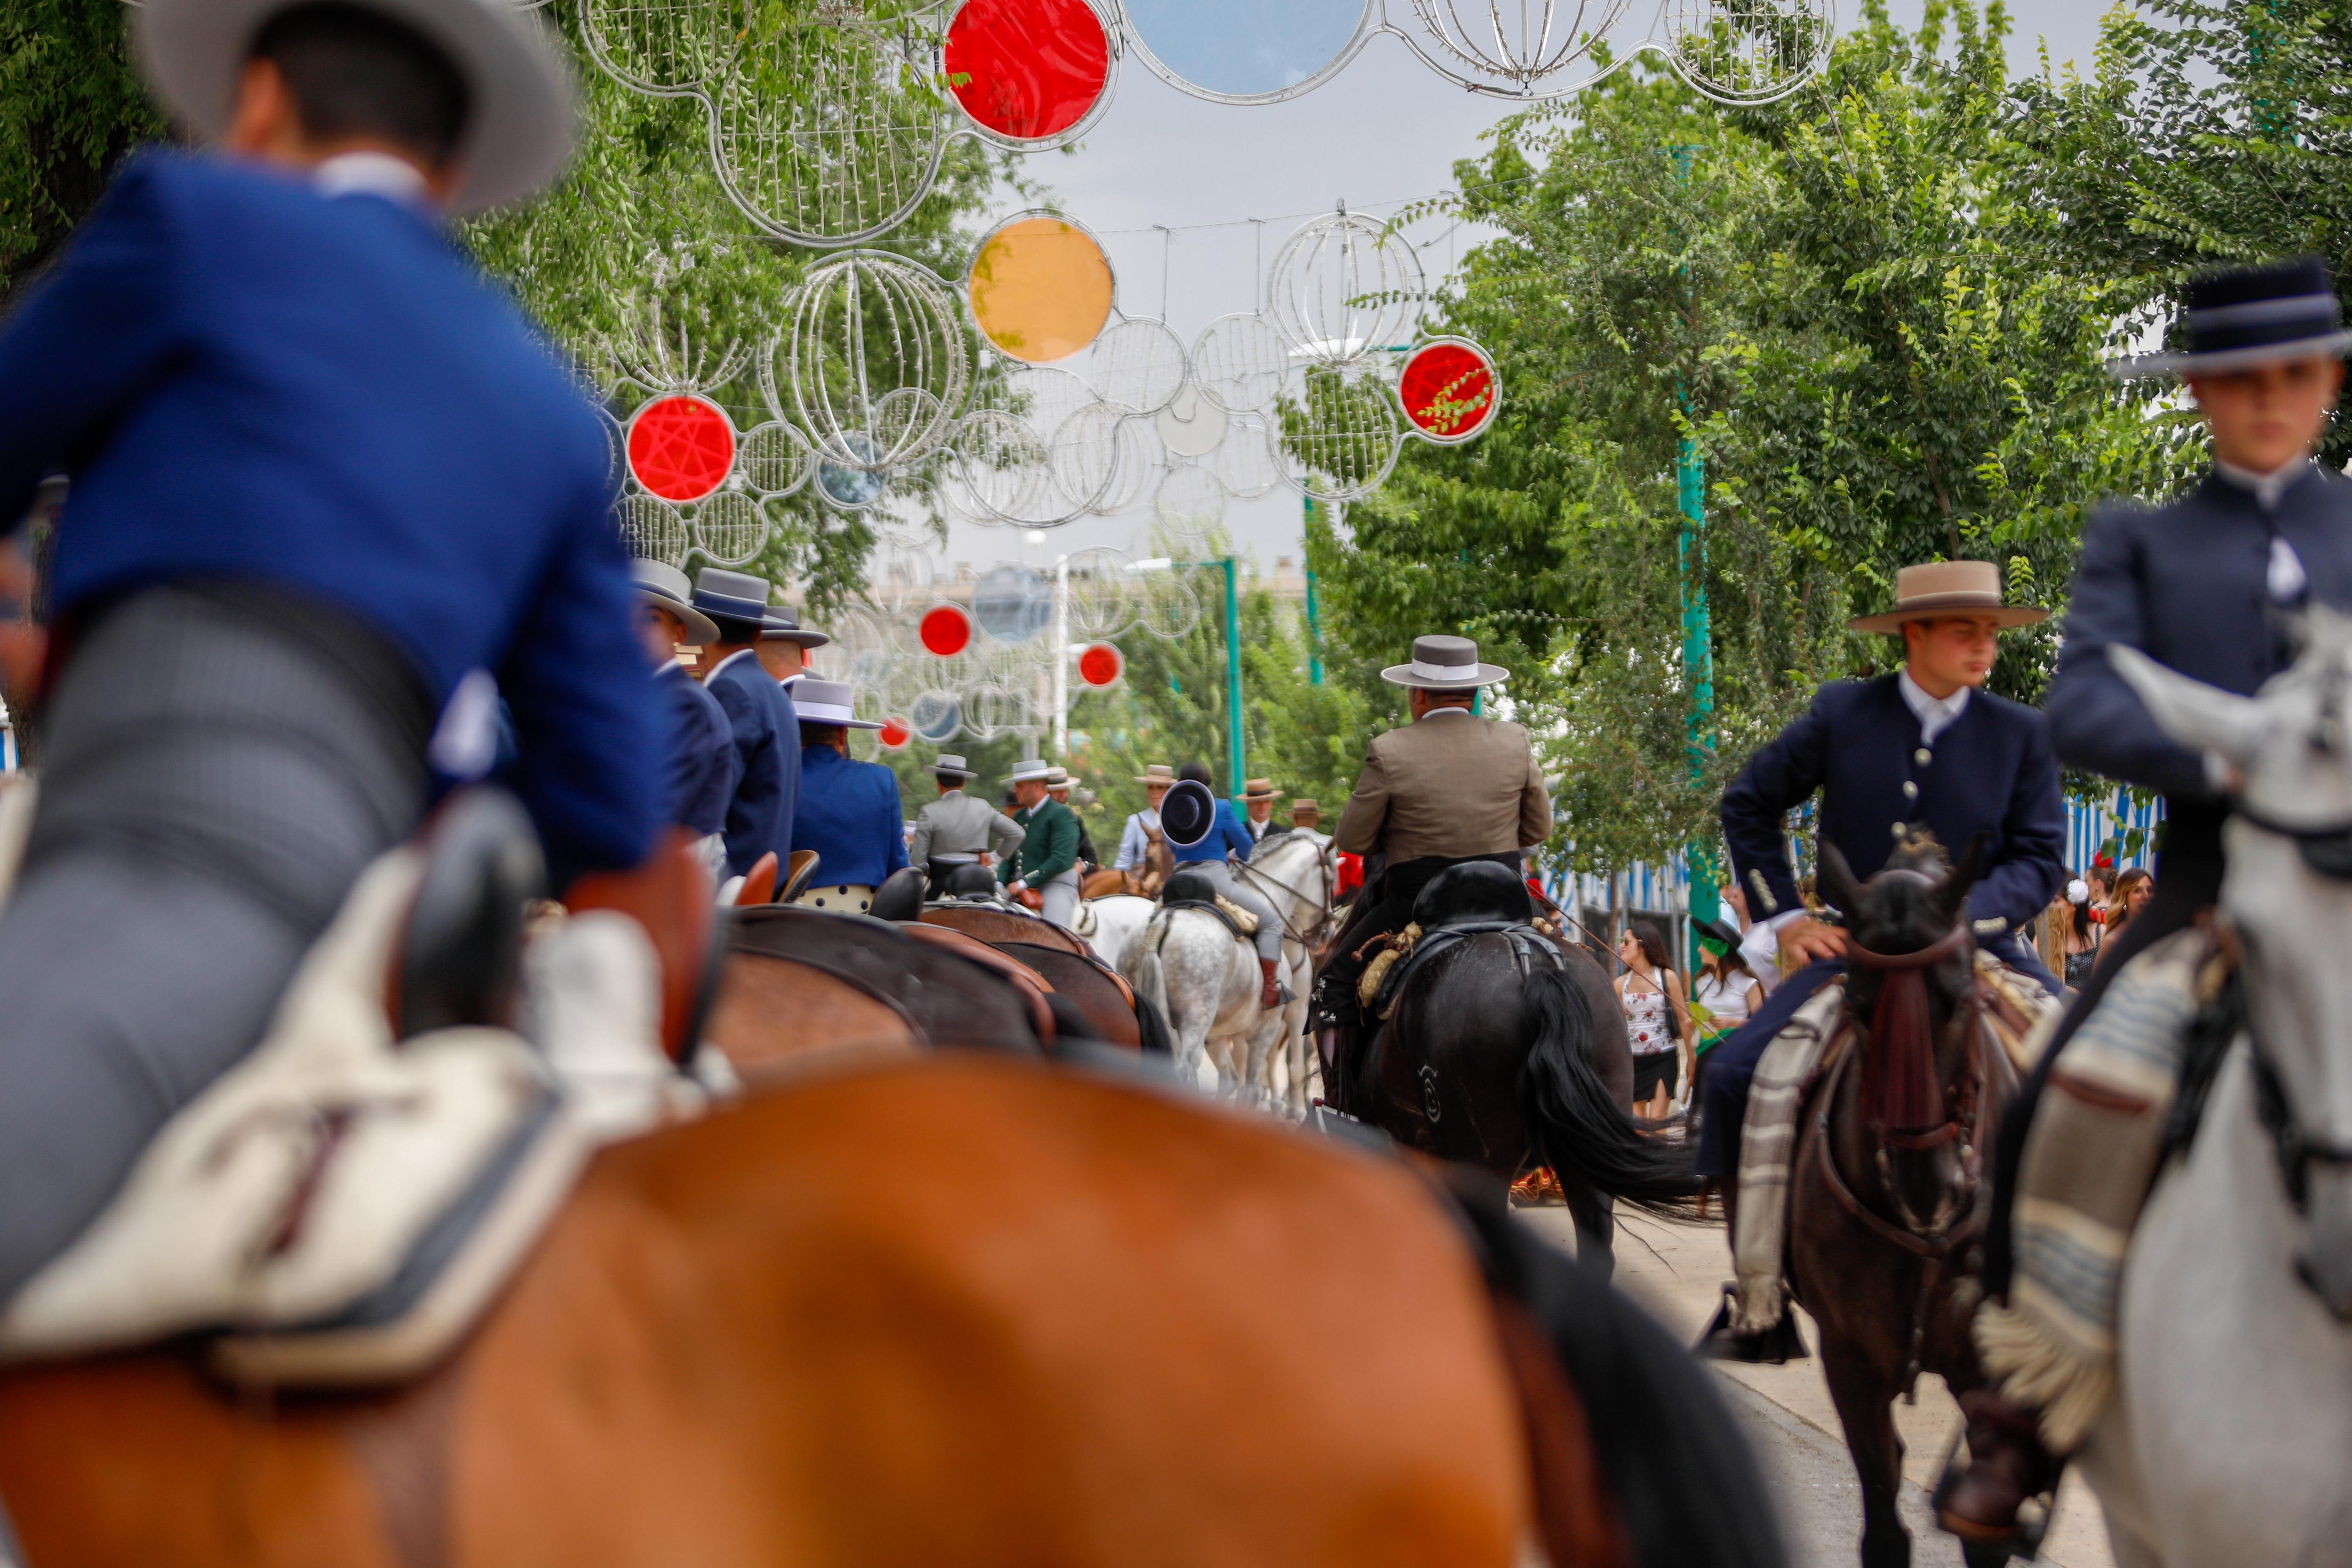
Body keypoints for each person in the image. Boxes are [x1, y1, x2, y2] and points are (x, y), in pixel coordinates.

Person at [0, 0, 663, 1298]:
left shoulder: (195, 215)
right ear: (449, 172)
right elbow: (607, 796)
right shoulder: (542, 398)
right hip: (377, 869)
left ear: (258, 103)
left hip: (176, 835)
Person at [1945, 258, 2352, 1542]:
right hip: (2206, 891)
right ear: (2196, 393)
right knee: (2056, 1086)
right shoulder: (2143, 538)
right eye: (2239, 378)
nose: (2269, 399)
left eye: (2294, 373)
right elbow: (2084, 703)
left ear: (2328, 381)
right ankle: (2018, 1412)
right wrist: (2230, 757)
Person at [1698, 559, 2067, 1349]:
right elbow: (1749, 802)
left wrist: (1958, 918)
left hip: (1982, 951)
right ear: (1915, 633)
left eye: (1991, 629)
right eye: (1966, 629)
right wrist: (1786, 918)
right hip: (1856, 953)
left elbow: (2041, 860)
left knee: (2095, 1072)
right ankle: (1760, 1296)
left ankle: (2088, 1293)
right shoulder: (1844, 713)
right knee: (1729, 1076)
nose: (1985, 644)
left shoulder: (2022, 733)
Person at [1315, 635, 1552, 1062]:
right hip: (1506, 897)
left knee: (1332, 983)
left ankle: (1337, 1095)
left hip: (1415, 905)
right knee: (1567, 958)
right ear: (1474, 693)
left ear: (1419, 694)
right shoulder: (1515, 740)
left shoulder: (1389, 750)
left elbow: (1353, 840)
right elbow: (1539, 828)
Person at [692, 568, 798, 879]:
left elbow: (707, 801)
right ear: (758, 633)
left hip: (730, 884)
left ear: (700, 627)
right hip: (763, 881)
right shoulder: (773, 691)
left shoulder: (730, 689)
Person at [631, 560, 732, 874]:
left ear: (679, 633)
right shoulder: (642, 696)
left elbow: (659, 809)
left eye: (651, 619)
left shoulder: (686, 704)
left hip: (671, 875)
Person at [1162, 765, 1285, 1011]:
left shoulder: (1170, 810)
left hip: (1178, 883)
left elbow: (1172, 846)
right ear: (1207, 783)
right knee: (1272, 922)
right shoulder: (1221, 807)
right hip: (1215, 882)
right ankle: (1271, 990)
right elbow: (1246, 847)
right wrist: (1233, 855)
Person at [786, 679, 905, 914]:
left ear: (794, 731)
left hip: (792, 919)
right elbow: (899, 868)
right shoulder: (881, 780)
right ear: (843, 734)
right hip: (869, 920)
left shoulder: (778, 780)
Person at [908, 754, 1023, 897]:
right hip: (977, 881)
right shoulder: (983, 806)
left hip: (941, 883)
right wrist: (994, 857)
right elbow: (1017, 834)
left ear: (939, 784)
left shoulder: (929, 811)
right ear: (963, 783)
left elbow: (918, 861)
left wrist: (925, 869)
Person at [1615, 921, 1690, 1120]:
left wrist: (1693, 1059)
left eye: (1626, 941)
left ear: (1643, 946)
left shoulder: (1667, 977)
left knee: (1657, 1123)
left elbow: (1684, 1020)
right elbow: (1616, 1028)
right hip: (1633, 1062)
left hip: (1663, 1057)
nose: (1621, 946)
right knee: (1638, 1126)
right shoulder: (1620, 984)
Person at [999, 758, 1083, 927]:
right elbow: (1010, 856)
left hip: (1055, 884)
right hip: (1018, 885)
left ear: (1037, 786)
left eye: (1019, 786)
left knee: (1055, 932)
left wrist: (1024, 882)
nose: (1015, 791)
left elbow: (1060, 859)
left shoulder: (1062, 814)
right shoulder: (1020, 816)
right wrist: (999, 883)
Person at [1114, 762, 1175, 896]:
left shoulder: (1178, 822)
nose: (1154, 792)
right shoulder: (1135, 821)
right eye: (1150, 787)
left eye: (1160, 787)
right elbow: (1124, 859)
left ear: (1169, 790)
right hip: (1142, 888)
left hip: (1174, 885)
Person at [1044, 767, 1099, 872]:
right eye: (1057, 790)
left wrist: (1082, 866)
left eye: (1065, 790)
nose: (1063, 794)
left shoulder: (1075, 820)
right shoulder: (1033, 820)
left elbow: (1091, 858)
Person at [2095, 865, 2153, 960]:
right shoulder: (2114, 940)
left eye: (2150, 890)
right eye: (2138, 891)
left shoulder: (2161, 932)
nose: (2146, 896)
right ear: (2124, 897)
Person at [1240, 778, 1283, 844]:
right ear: (1248, 804)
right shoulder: (1236, 833)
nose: (1262, 806)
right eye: (1257, 802)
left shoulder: (1284, 834)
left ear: (1271, 803)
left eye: (1266, 801)